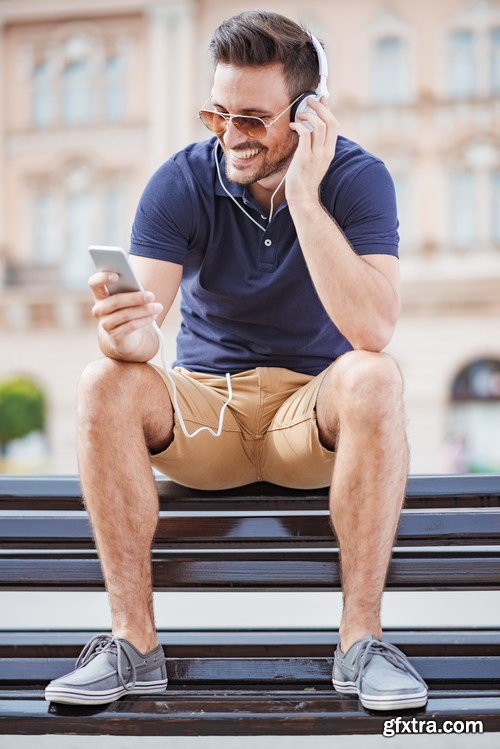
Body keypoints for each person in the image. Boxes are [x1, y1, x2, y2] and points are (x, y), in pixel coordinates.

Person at [45, 10, 428, 711]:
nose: (229, 135)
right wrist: (126, 338)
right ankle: (133, 646)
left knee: (378, 374)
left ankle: (361, 643)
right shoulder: (182, 179)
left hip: (306, 417)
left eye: (252, 120)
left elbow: (373, 327)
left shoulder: (357, 178)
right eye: (217, 114)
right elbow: (144, 327)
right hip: (207, 415)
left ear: (309, 114)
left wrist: (305, 198)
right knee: (104, 380)